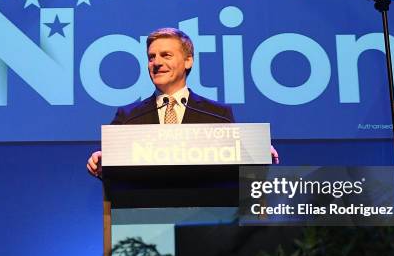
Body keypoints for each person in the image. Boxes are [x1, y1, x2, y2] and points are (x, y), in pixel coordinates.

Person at [87, 27, 278, 177]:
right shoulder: (128, 117)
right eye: (151, 57)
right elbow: (113, 171)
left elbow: (234, 165)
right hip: (143, 215)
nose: (156, 62)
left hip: (203, 217)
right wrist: (102, 163)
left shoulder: (217, 114)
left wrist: (256, 154)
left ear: (188, 61)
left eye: (166, 55)